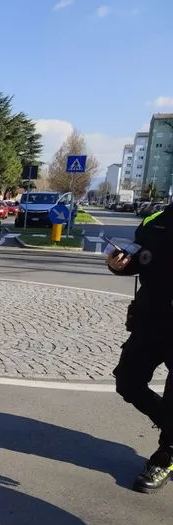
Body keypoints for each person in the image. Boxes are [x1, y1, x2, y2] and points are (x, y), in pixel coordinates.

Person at [107, 202, 173, 493]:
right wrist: (118, 264)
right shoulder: (157, 219)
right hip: (150, 320)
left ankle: (166, 455)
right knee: (128, 382)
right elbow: (137, 259)